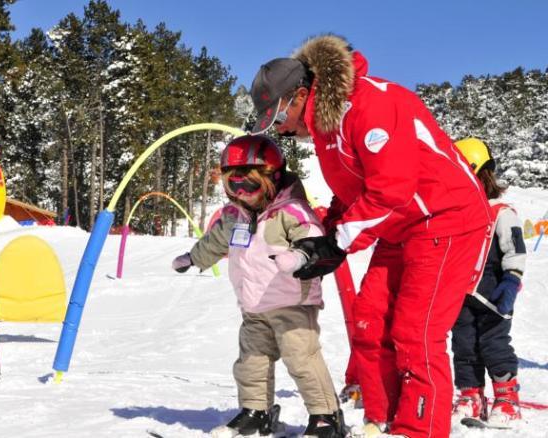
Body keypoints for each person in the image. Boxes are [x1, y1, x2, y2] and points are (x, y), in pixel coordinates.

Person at [249, 34, 492, 438]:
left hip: (448, 220)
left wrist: (337, 243)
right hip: (401, 227)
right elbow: (357, 191)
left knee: (416, 331)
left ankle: (419, 430)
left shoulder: (372, 104)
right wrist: (321, 232)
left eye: (277, 119)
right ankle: (382, 421)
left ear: (298, 97)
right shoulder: (326, 125)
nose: (281, 130)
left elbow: (391, 188)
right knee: (369, 322)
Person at [172, 134, 345, 438]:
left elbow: (312, 237)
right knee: (251, 361)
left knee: (301, 358)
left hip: (292, 302)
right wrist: (192, 258)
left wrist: (298, 256)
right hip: (253, 306)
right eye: (233, 186)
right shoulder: (233, 216)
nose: (242, 193)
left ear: (271, 179)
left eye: (249, 185)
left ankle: (325, 416)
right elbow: (214, 242)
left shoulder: (291, 211)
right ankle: (256, 411)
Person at [450, 137, 525, 428]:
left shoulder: (500, 211)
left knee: (494, 345)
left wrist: (511, 281)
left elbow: (515, 249)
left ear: (483, 175)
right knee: (464, 347)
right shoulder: (456, 214)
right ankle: (471, 397)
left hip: (494, 294)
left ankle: (507, 400)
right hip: (461, 294)